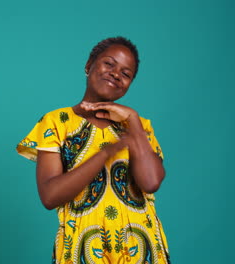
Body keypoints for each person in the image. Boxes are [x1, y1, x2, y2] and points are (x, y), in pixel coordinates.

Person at [16, 36, 171, 264]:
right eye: (109, 64)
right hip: (82, 248)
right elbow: (50, 197)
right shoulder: (57, 122)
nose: (116, 73)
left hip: (142, 247)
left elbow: (151, 182)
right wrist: (107, 153)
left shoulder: (141, 127)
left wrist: (133, 120)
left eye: (126, 74)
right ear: (89, 65)